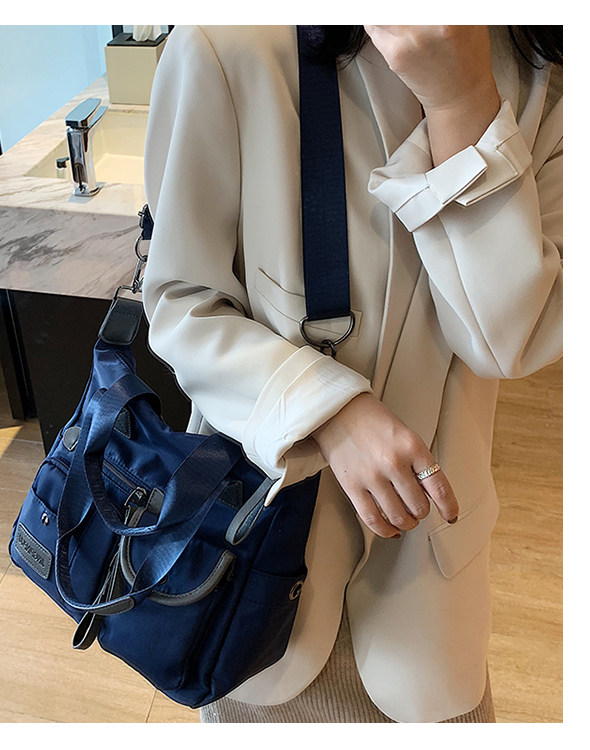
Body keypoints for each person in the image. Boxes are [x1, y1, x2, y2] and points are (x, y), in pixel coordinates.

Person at [140, 25, 563, 723]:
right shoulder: (229, 41)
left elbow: (508, 339)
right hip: (256, 576)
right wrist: (328, 410)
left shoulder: (545, 65)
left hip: (432, 590)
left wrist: (461, 104)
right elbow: (183, 303)